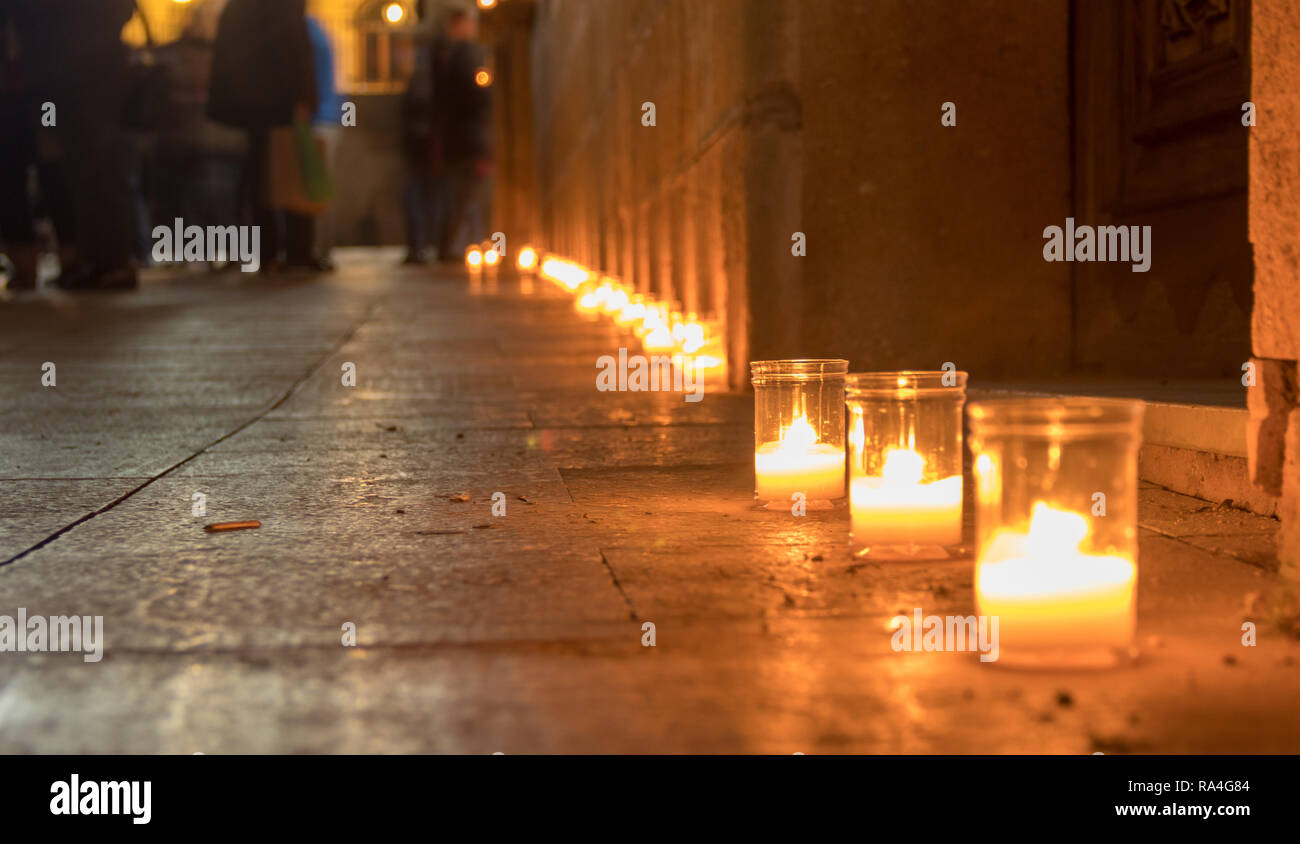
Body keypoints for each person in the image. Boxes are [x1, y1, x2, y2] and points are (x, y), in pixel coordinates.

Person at [21, 0, 139, 290]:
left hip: (80, 78)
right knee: (77, 169)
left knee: (96, 167)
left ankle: (111, 262)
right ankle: (96, 261)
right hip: (60, 82)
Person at [208, 0, 317, 272]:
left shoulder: (237, 9)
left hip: (249, 104)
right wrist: (305, 97)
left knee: (259, 180)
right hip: (281, 103)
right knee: (292, 174)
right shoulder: (283, 8)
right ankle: (297, 250)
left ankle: (266, 252)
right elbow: (296, 50)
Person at [306, 14, 341, 271]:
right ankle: (322, 250)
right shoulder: (320, 30)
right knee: (322, 190)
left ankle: (316, 249)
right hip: (329, 119)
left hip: (316, 120)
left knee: (314, 191)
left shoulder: (305, 32)